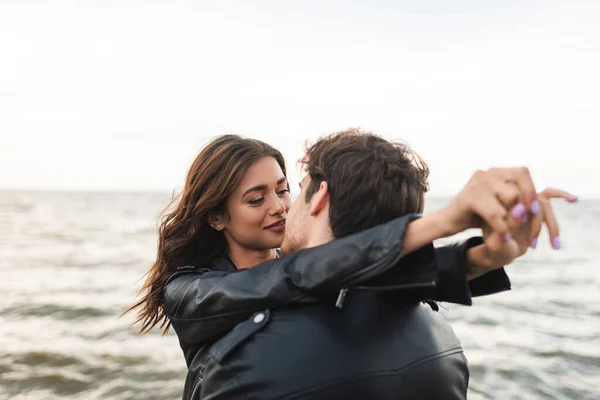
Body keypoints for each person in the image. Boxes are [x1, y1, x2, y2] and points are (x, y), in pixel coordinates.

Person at [127, 131, 575, 399]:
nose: (280, 207)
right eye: (255, 198)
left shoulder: (307, 265)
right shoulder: (189, 290)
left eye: (284, 189)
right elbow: (291, 280)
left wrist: (484, 255)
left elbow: (355, 276)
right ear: (216, 216)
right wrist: (435, 224)